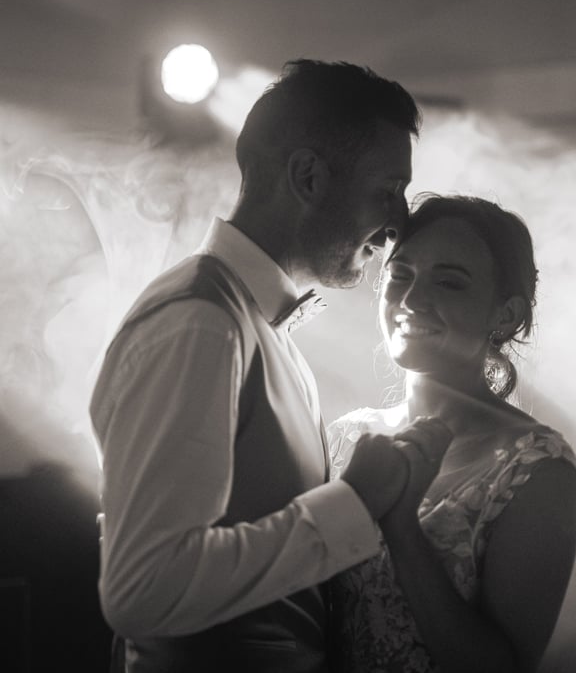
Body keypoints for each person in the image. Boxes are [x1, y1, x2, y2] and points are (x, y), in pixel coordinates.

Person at [89, 59, 452, 673]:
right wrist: (355, 501)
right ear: (308, 176)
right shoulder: (200, 326)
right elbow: (145, 590)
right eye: (386, 191)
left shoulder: (261, 327)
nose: (398, 223)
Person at [327, 194, 576, 673]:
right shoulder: (347, 438)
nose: (410, 300)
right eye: (399, 275)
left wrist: (401, 525)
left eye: (449, 282)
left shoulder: (535, 465)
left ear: (504, 315)